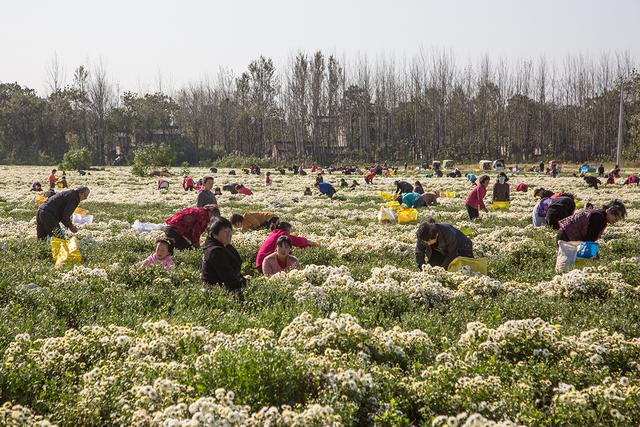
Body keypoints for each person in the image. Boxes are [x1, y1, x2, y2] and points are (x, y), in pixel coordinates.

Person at [201, 217, 245, 299]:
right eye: (225, 232)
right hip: (217, 293)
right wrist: (244, 284)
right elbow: (228, 278)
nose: (229, 234)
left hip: (225, 289)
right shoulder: (215, 251)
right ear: (214, 234)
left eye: (230, 231)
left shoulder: (225, 246)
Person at [557, 200, 626, 243]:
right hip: (566, 237)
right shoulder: (598, 218)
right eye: (615, 215)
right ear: (608, 210)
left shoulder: (600, 216)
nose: (617, 219)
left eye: (619, 217)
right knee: (567, 263)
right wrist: (595, 255)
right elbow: (589, 239)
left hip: (565, 235)